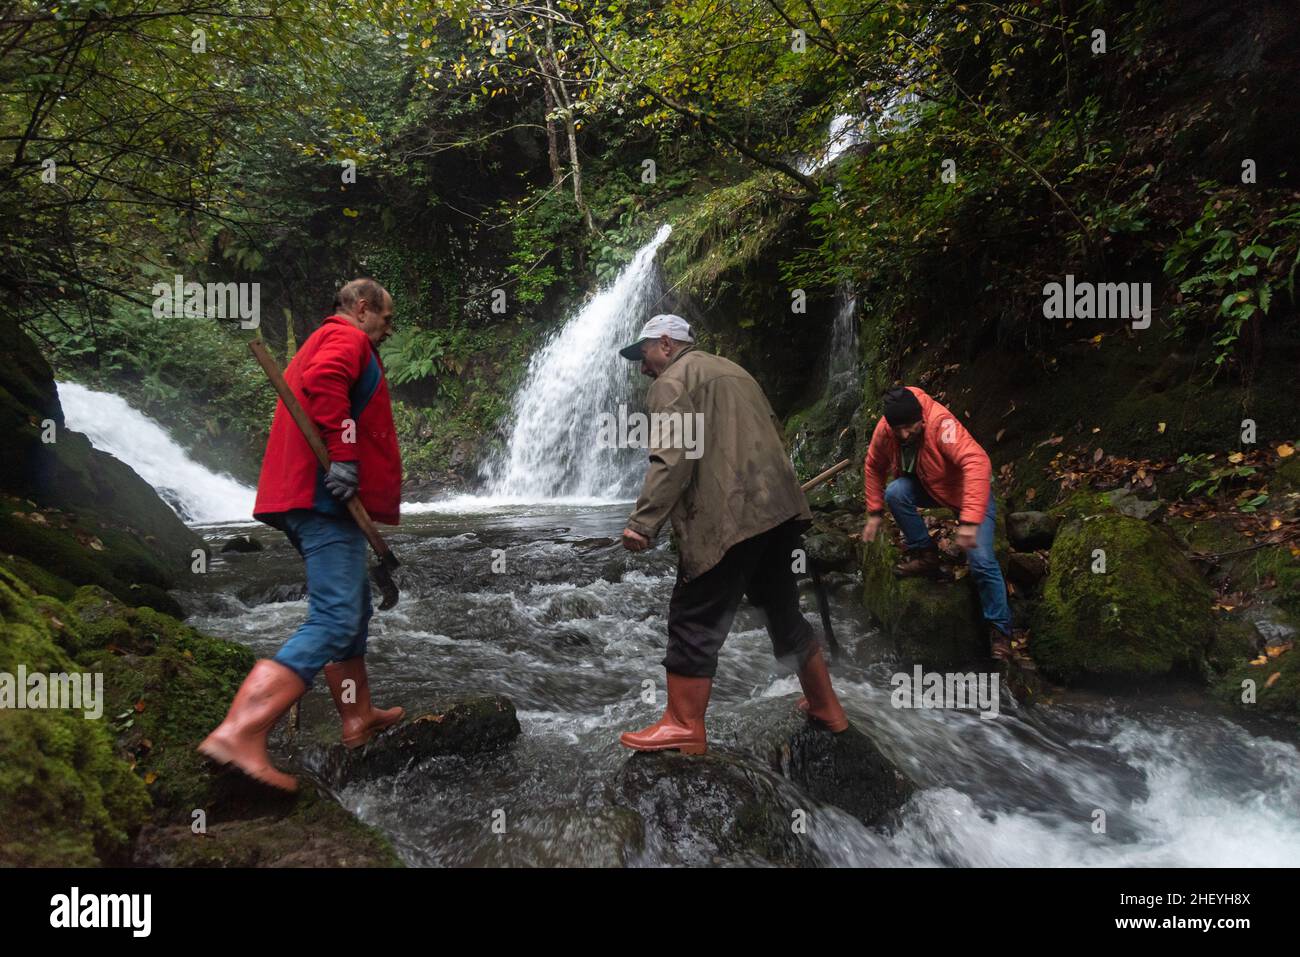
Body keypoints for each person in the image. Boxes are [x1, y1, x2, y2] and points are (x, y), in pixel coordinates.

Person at [198, 278, 405, 790]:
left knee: (351, 609)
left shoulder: (332, 336)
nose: (389, 330)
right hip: (322, 498)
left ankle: (357, 717)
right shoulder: (346, 338)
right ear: (362, 309)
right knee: (335, 616)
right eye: (386, 318)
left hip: (312, 497)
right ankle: (240, 730)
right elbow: (325, 382)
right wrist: (345, 457)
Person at [617, 314, 849, 755]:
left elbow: (673, 457)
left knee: (693, 614)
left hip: (728, 516)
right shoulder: (738, 373)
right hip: (778, 510)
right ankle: (826, 706)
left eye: (643, 354)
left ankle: (683, 724)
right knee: (782, 610)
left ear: (665, 344)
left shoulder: (672, 382)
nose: (641, 366)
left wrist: (643, 523)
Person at [861, 385, 1014, 658]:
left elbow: (977, 463)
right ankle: (926, 554)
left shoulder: (941, 424)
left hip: (970, 493)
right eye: (898, 429)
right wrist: (874, 513)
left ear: (921, 418)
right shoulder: (887, 428)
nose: (904, 434)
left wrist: (968, 521)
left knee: (981, 560)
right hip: (931, 486)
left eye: (909, 427)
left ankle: (1000, 632)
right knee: (895, 492)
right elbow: (873, 465)